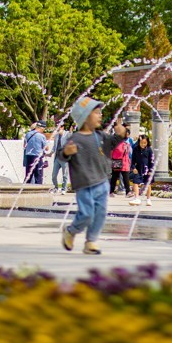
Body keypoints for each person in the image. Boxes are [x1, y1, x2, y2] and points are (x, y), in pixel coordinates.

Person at [60, 97, 126, 255]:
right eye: (96, 113)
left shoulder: (101, 136)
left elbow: (115, 141)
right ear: (84, 116)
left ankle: (91, 241)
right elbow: (61, 156)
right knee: (87, 214)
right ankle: (71, 230)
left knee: (100, 213)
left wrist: (121, 133)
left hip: (102, 181)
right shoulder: (75, 139)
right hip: (84, 183)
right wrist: (66, 152)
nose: (100, 116)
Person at [130, 132, 155, 206]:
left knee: (148, 184)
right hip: (138, 169)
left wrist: (151, 170)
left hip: (147, 169)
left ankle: (148, 199)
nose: (143, 144)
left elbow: (152, 160)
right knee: (135, 182)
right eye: (141, 143)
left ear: (147, 142)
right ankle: (137, 198)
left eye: (145, 143)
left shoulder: (149, 150)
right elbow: (132, 160)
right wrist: (133, 167)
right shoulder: (135, 149)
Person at [109, 127, 133, 196]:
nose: (127, 135)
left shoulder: (127, 142)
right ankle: (111, 191)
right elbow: (112, 151)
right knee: (114, 177)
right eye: (127, 134)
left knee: (126, 178)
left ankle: (128, 192)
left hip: (125, 162)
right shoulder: (116, 142)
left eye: (128, 134)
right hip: (117, 161)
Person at [50, 124, 71, 194]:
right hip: (57, 158)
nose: (57, 129)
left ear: (62, 127)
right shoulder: (56, 136)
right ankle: (56, 187)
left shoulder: (67, 134)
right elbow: (54, 146)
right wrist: (50, 153)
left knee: (65, 175)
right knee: (54, 175)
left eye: (59, 127)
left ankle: (63, 189)